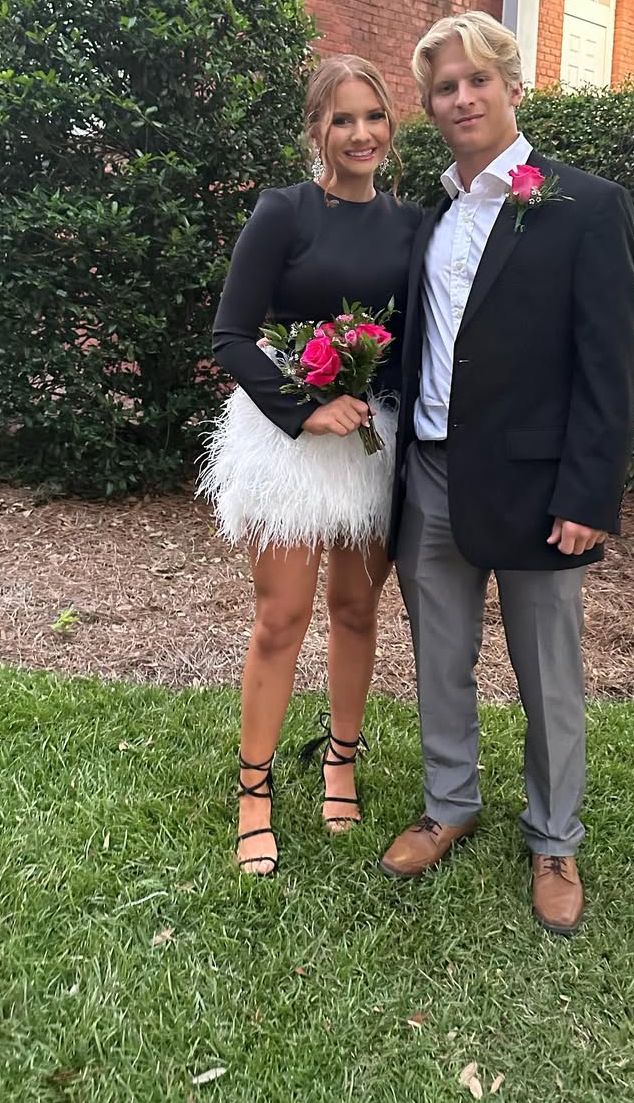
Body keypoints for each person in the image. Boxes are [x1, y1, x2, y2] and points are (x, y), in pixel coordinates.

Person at [379, 12, 634, 935]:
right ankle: (448, 803)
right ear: (431, 106)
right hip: (431, 476)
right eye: (444, 88)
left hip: (538, 491)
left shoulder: (583, 206)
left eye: (477, 81)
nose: (462, 99)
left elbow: (610, 366)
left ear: (513, 86)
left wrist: (588, 493)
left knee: (548, 674)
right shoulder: (429, 218)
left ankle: (554, 837)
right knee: (439, 658)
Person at [200, 56, 420, 876]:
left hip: (372, 443)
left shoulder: (411, 225)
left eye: (374, 116)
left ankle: (341, 762)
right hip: (286, 441)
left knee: (357, 611)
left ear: (391, 124)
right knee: (283, 616)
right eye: (342, 119)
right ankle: (254, 792)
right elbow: (230, 335)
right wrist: (304, 409)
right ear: (317, 130)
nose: (361, 134)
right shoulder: (284, 212)